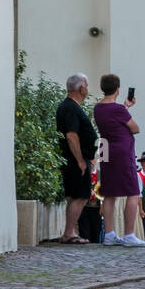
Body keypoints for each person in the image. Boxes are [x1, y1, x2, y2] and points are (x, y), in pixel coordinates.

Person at [92, 74, 145, 246]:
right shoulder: (119, 110)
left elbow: (113, 118)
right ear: (117, 89)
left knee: (109, 193)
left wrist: (125, 106)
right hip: (122, 152)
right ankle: (129, 234)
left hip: (106, 150)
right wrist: (124, 108)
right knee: (133, 192)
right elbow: (135, 128)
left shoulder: (98, 108)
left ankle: (109, 234)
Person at [57, 73, 97, 244]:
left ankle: (70, 231)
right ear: (81, 88)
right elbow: (72, 135)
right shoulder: (71, 108)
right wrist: (81, 160)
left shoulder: (69, 107)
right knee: (80, 196)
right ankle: (68, 233)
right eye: (86, 86)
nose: (87, 89)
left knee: (78, 195)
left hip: (77, 159)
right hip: (75, 160)